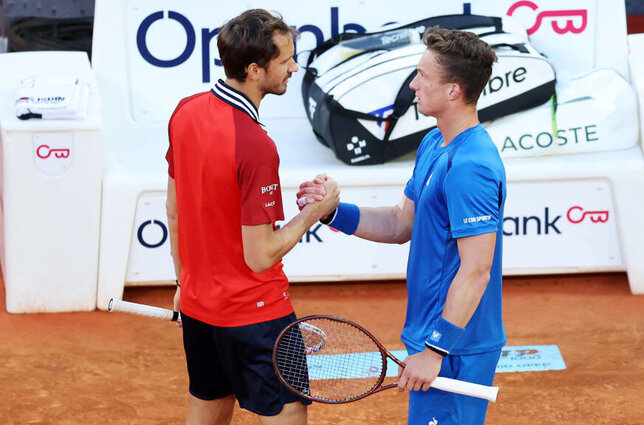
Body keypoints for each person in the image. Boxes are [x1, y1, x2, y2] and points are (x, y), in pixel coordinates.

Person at [298, 27, 506, 424]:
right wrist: (332, 211)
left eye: (423, 76)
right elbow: (398, 223)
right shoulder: (434, 143)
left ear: (453, 91)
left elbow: (476, 271)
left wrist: (436, 351)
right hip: (434, 334)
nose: (412, 84)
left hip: (456, 347)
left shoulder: (471, 167)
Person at [165, 9, 339, 425]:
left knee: (208, 409)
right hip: (258, 317)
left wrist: (183, 283)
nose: (294, 67)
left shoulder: (184, 111)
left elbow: (174, 212)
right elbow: (260, 255)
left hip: (199, 308)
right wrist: (315, 212)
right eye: (285, 61)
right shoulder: (255, 144)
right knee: (289, 411)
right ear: (256, 70)